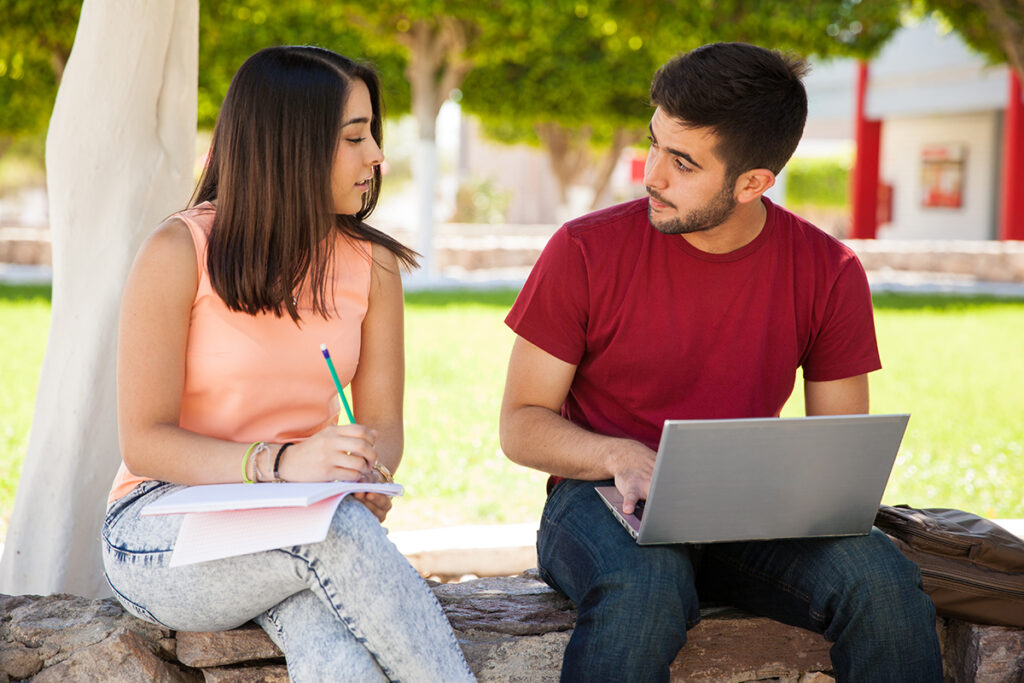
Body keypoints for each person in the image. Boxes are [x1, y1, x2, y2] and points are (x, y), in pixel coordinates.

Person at [499, 42, 942, 682]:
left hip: (750, 515)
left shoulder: (829, 271)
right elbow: (521, 422)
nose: (652, 174)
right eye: (653, 143)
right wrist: (621, 455)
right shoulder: (584, 250)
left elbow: (837, 451)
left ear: (753, 182)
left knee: (880, 574)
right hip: (599, 501)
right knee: (646, 587)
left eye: (682, 162)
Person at [101, 46, 475, 682]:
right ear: (290, 143)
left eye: (373, 135)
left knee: (341, 658)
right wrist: (281, 466)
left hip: (296, 520)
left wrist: (362, 470)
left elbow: (382, 422)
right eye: (355, 137)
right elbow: (145, 443)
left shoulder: (374, 265)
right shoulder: (179, 251)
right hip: (161, 527)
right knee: (337, 537)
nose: (378, 156)